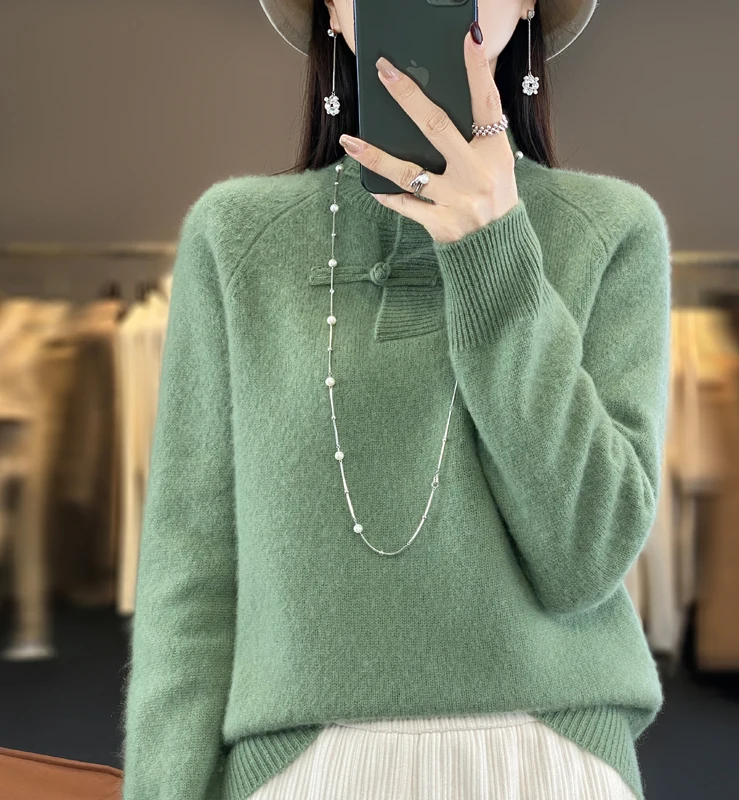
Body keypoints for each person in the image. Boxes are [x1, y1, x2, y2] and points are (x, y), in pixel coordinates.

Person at [120, 1, 672, 799]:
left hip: (548, 760)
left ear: (527, 4)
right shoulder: (235, 237)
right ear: (332, 11)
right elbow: (190, 576)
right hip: (301, 769)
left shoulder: (612, 229)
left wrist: (495, 250)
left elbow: (587, 555)